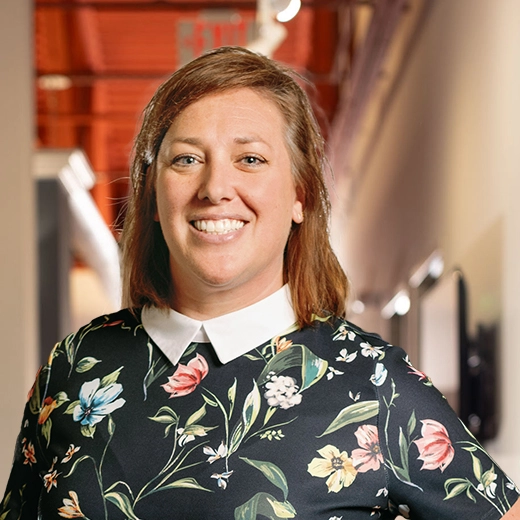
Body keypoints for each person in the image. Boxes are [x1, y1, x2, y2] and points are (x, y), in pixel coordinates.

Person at [1, 46, 519, 520]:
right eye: (186, 159)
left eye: (250, 159)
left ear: (300, 196)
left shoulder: (374, 384)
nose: (215, 188)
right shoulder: (75, 366)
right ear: (154, 197)